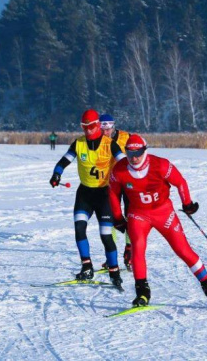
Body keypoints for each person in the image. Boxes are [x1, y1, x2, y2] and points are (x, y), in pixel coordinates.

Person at [109, 134, 207, 308]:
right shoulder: (119, 169)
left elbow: (180, 182)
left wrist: (187, 204)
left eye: (138, 153)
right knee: (137, 248)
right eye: (130, 153)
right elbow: (113, 193)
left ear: (145, 151)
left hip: (163, 212)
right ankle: (142, 292)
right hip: (138, 214)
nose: (134, 158)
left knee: (183, 250)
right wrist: (118, 217)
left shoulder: (160, 165)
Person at [49, 109, 126, 287]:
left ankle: (114, 271)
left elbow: (124, 163)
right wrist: (56, 175)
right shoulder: (79, 144)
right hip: (84, 194)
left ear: (98, 125)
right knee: (79, 228)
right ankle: (87, 267)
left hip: (105, 195)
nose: (88, 130)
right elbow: (63, 161)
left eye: (91, 126)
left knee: (106, 235)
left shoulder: (110, 144)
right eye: (84, 127)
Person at [99, 113, 132, 269]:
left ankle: (129, 251)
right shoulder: (97, 140)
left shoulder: (126, 137)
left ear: (113, 126)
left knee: (131, 216)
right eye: (102, 129)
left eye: (108, 129)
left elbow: (139, 153)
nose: (105, 133)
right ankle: (110, 256)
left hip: (127, 183)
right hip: (108, 184)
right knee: (109, 219)